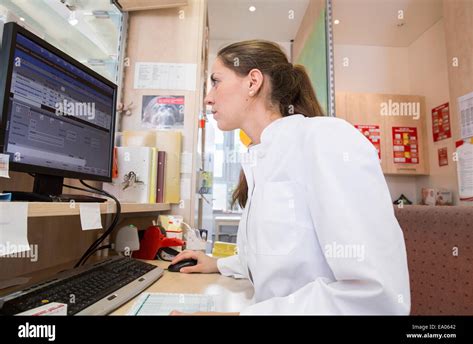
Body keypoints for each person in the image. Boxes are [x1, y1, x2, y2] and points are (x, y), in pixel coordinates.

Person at [170, 40, 411, 315]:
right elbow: (279, 258)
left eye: (216, 82)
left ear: (253, 82)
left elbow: (376, 297)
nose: (208, 98)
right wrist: (217, 263)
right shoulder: (263, 157)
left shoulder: (326, 139)